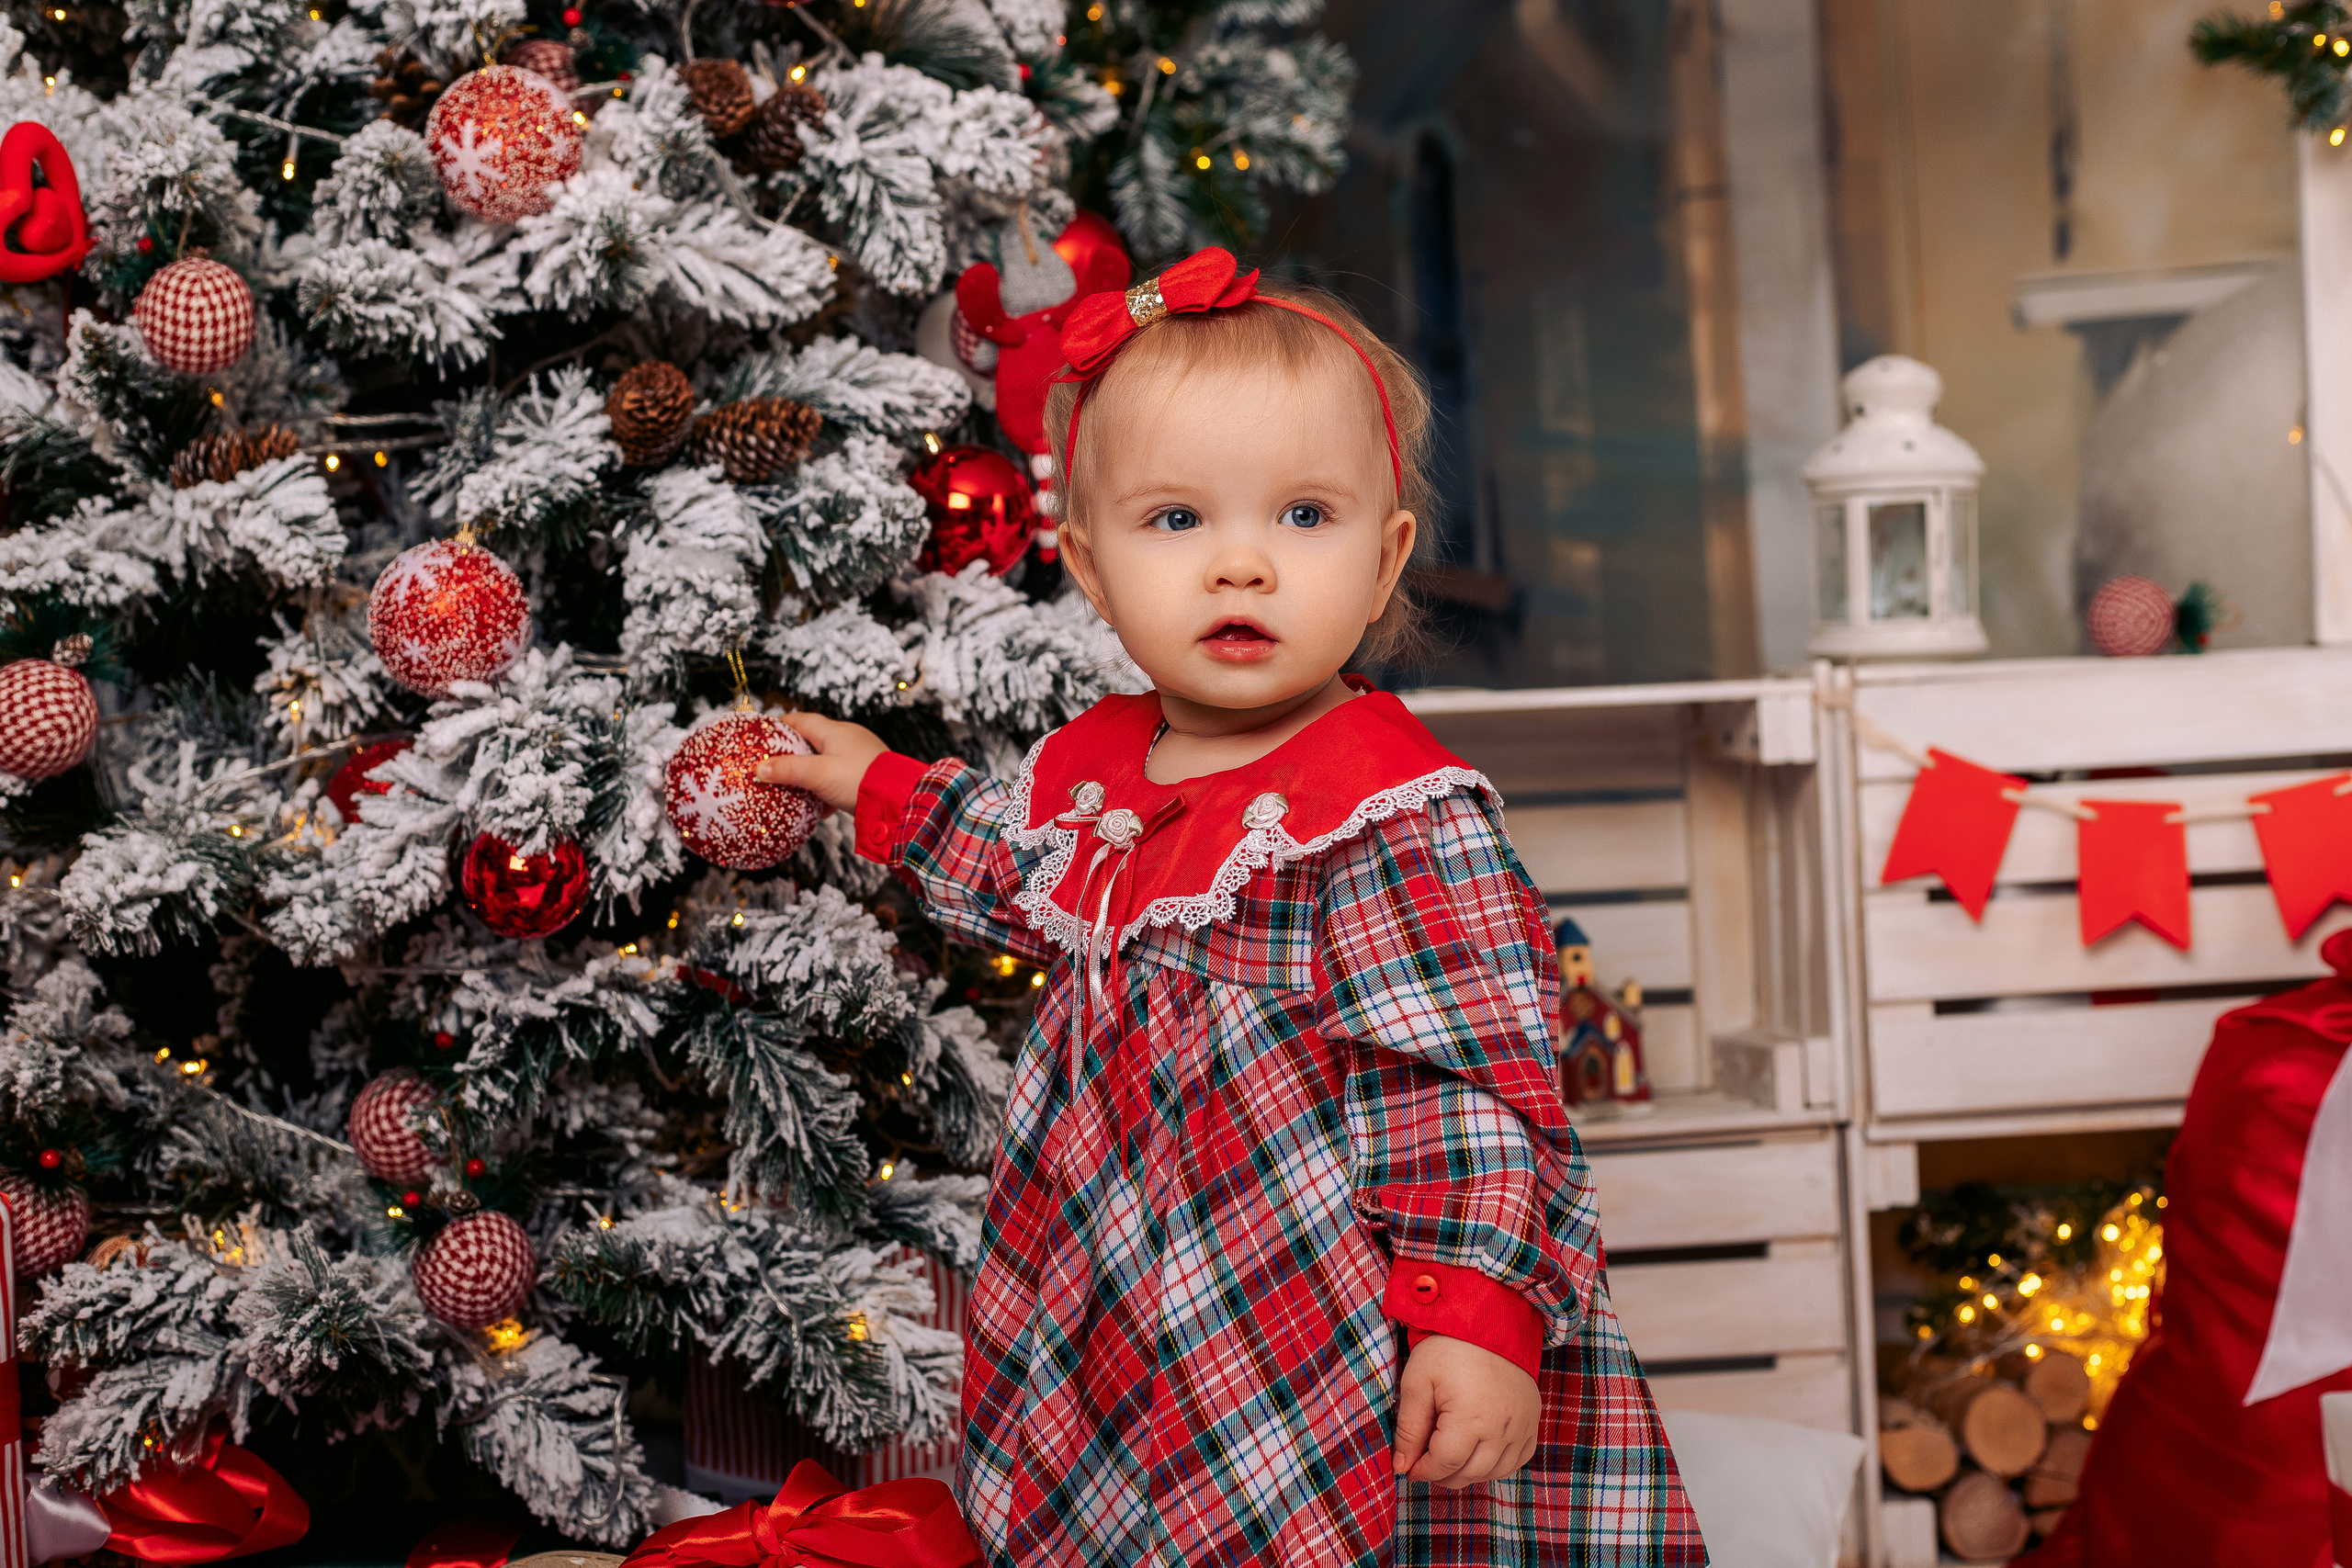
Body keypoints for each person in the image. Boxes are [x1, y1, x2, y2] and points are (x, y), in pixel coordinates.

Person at [757, 247, 1702, 1567]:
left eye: (1304, 518)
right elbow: (1029, 879)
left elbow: (1472, 1088)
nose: (1242, 566)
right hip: (1114, 1293)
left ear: (1384, 561)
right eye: (1178, 521)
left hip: (1327, 1310)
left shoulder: (1385, 810)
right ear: (1089, 568)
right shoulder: (1100, 777)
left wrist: (1471, 1311)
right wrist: (884, 790)